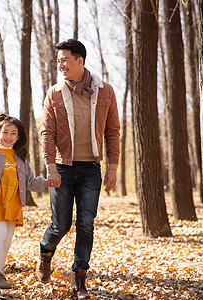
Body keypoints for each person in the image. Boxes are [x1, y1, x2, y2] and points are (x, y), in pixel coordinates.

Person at [36, 39, 120, 299]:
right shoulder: (55, 93)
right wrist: (50, 166)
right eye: (58, 60)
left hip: (91, 169)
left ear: (80, 61)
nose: (60, 65)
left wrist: (113, 166)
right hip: (62, 167)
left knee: (86, 224)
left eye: (65, 60)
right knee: (61, 225)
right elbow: (47, 132)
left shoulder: (105, 91)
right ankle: (45, 252)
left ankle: (79, 280)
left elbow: (113, 131)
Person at [0, 114, 48, 290]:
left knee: (7, 242)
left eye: (13, 133)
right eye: (5, 132)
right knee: (0, 236)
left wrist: (48, 182)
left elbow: (30, 182)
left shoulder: (20, 158)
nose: (8, 137)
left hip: (13, 204)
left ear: (18, 137)